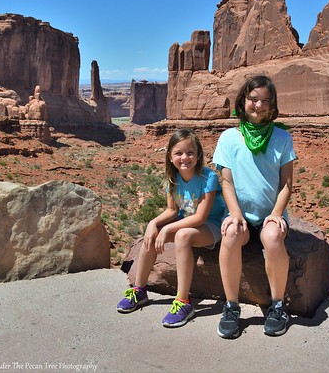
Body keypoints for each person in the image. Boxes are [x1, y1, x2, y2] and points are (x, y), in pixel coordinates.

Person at [213, 75, 296, 338]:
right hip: (240, 215)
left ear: (272, 106)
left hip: (269, 214)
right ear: (243, 101)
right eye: (253, 99)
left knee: (272, 237)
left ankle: (278, 306)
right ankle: (231, 306)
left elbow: (286, 184)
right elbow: (226, 181)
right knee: (231, 234)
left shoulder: (282, 137)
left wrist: (276, 214)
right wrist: (235, 213)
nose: (258, 106)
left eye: (265, 101)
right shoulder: (228, 138)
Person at [116, 128, 225, 328]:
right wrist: (153, 224)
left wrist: (168, 229)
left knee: (182, 236)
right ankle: (139, 290)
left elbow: (201, 217)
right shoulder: (172, 178)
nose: (185, 158)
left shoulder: (208, 177)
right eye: (178, 153)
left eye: (190, 153)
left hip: (212, 225)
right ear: (170, 156)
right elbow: (171, 210)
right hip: (187, 222)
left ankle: (183, 301)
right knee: (152, 234)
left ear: (198, 154)